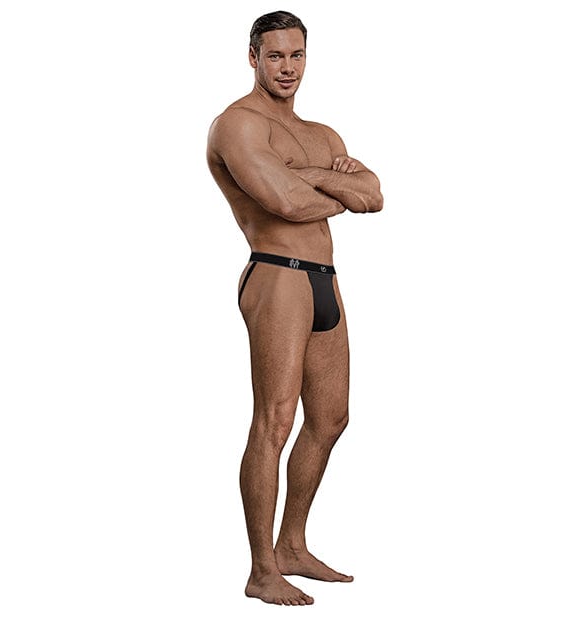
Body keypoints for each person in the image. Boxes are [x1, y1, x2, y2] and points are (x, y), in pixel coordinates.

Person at [206, 10, 383, 606]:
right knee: (274, 421)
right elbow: (286, 203)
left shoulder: (322, 135)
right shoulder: (237, 124)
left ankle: (292, 546)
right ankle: (261, 570)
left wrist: (309, 176)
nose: (288, 67)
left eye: (297, 55)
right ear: (253, 57)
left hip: (325, 279)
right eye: (276, 55)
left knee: (331, 419)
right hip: (277, 275)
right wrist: (336, 187)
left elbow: (374, 195)